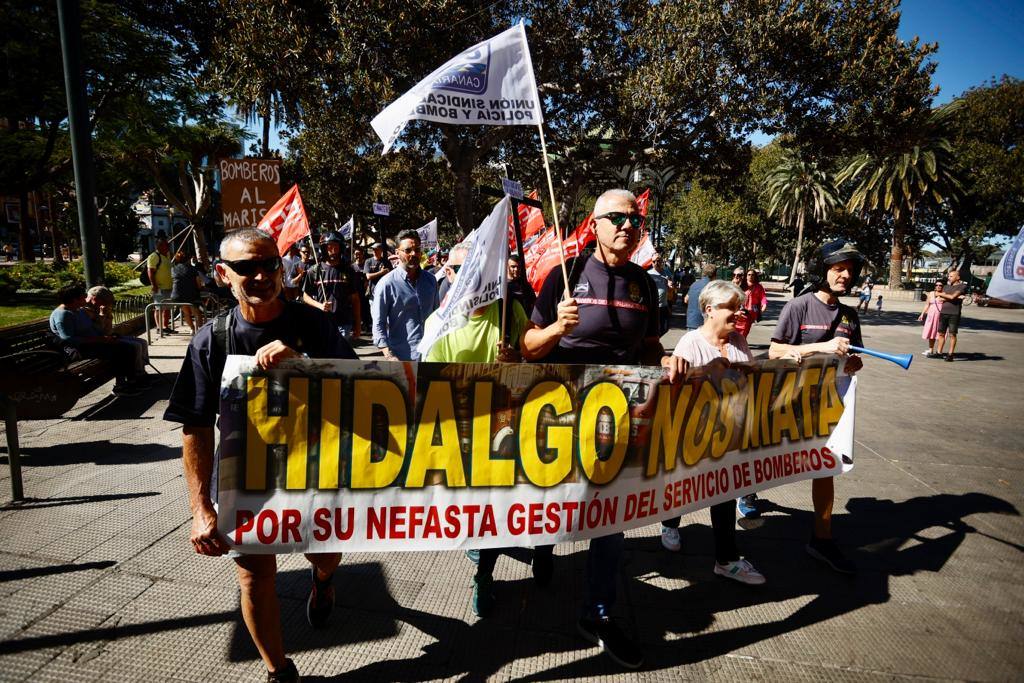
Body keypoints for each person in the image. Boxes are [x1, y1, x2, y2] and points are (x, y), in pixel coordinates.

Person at [164, 228, 357, 683]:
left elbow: (364, 388)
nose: (260, 275)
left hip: (316, 470)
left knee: (326, 556)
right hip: (246, 477)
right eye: (245, 267)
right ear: (222, 274)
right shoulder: (212, 340)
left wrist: (304, 364)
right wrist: (200, 507)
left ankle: (323, 581)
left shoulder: (314, 326)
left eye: (269, 263)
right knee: (254, 577)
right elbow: (195, 427)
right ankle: (279, 672)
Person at [521, 189, 685, 669]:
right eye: (616, 218)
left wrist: (664, 359)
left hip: (616, 416)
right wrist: (556, 329)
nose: (627, 226)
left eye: (635, 220)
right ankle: (543, 547)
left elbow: (650, 345)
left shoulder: (645, 285)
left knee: (611, 519)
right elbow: (528, 346)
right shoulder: (564, 274)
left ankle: (598, 612)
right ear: (594, 225)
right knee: (549, 499)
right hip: (558, 413)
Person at [421, 248, 529, 617]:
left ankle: (484, 574)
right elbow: (433, 383)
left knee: (494, 506)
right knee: (470, 507)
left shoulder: (510, 311)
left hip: (501, 427)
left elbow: (533, 358)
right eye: (462, 268)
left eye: (480, 267)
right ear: (449, 274)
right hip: (460, 429)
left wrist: (516, 359)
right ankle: (476, 542)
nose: (474, 274)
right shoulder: (438, 323)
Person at [659, 280, 766, 586]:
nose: (739, 312)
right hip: (694, 435)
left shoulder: (739, 341)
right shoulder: (690, 343)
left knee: (725, 493)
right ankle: (670, 523)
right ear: (709, 310)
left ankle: (726, 560)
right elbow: (676, 391)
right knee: (684, 488)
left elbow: (751, 377)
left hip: (729, 436)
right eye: (732, 307)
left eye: (740, 306)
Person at [767, 239, 864, 574]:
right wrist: (820, 347)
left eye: (850, 271)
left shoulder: (850, 316)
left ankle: (822, 538)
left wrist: (853, 363)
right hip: (788, 402)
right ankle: (746, 494)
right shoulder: (799, 306)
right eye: (839, 269)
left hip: (826, 405)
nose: (845, 276)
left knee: (826, 465)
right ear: (822, 270)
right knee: (763, 459)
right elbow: (775, 351)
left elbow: (853, 357)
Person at [49, 285, 145, 397]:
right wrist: (100, 339)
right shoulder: (63, 314)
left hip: (93, 343)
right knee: (121, 350)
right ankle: (121, 386)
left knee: (126, 346)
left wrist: (108, 336)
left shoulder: (79, 311)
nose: (86, 299)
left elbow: (94, 328)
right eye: (83, 296)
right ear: (75, 299)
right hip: (79, 349)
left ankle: (132, 381)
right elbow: (68, 338)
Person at [371, 230, 439, 361]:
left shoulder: (431, 280)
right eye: (408, 250)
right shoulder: (387, 284)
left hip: (431, 356)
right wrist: (389, 356)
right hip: (402, 359)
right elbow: (379, 324)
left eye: (417, 249)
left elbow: (437, 315)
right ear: (397, 253)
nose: (414, 254)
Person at [301, 232, 361, 340]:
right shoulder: (314, 270)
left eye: (336, 246)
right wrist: (320, 306)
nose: (333, 250)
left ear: (341, 248)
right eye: (329, 246)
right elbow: (305, 296)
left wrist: (358, 324)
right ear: (323, 248)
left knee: (341, 351)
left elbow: (355, 299)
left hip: (343, 323)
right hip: (321, 322)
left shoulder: (348, 271)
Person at [85, 285, 150, 375]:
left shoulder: (102, 307)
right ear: (94, 298)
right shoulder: (85, 311)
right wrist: (102, 316)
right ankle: (137, 373)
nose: (105, 305)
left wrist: (108, 316)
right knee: (135, 346)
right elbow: (99, 331)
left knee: (142, 342)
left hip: (109, 337)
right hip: (99, 340)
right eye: (104, 302)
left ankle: (141, 370)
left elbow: (108, 330)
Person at [933, 269, 968, 362]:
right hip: (943, 313)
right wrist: (956, 297)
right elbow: (940, 299)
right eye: (949, 276)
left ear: (958, 277)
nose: (949, 277)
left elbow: (951, 297)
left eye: (951, 276)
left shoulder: (962, 286)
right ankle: (939, 352)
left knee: (952, 334)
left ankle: (950, 354)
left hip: (954, 314)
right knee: (941, 333)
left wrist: (947, 296)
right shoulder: (946, 287)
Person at [170, 251, 204, 334]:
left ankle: (192, 328)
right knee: (196, 312)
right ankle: (200, 329)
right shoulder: (193, 269)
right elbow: (198, 284)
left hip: (177, 295)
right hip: (191, 294)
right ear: (188, 259)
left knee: (186, 312)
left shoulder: (173, 269)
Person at [147, 234, 174, 333]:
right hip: (159, 287)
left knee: (167, 308)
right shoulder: (154, 256)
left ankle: (165, 326)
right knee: (159, 308)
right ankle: (159, 327)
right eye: (166, 245)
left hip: (169, 287)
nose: (168, 247)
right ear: (159, 246)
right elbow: (150, 271)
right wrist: (154, 285)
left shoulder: (167, 256)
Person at [734, 269, 768, 338]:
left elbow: (763, 297)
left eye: (752, 275)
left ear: (755, 276)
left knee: (746, 329)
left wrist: (764, 305)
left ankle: (741, 340)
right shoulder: (741, 285)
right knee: (738, 329)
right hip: (741, 310)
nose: (751, 276)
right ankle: (739, 340)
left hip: (752, 312)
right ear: (746, 276)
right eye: (749, 275)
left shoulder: (759, 287)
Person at [685, 264, 717, 331]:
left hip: (691, 322)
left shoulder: (694, 284)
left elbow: (686, 299)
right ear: (714, 275)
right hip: (704, 323)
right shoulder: (712, 286)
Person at [647, 255, 673, 335]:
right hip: (653, 306)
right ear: (651, 263)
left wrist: (670, 286)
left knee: (665, 328)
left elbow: (671, 290)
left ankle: (656, 338)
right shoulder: (649, 274)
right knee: (653, 329)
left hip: (664, 305)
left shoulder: (666, 273)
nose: (656, 263)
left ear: (662, 262)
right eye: (654, 261)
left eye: (658, 261)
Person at [918, 280, 944, 356]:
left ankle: (939, 351)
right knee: (931, 332)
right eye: (936, 285)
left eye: (940, 285)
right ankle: (931, 350)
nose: (938, 286)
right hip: (931, 316)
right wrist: (922, 314)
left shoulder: (944, 294)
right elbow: (927, 305)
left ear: (943, 287)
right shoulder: (931, 293)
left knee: (940, 334)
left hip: (940, 316)